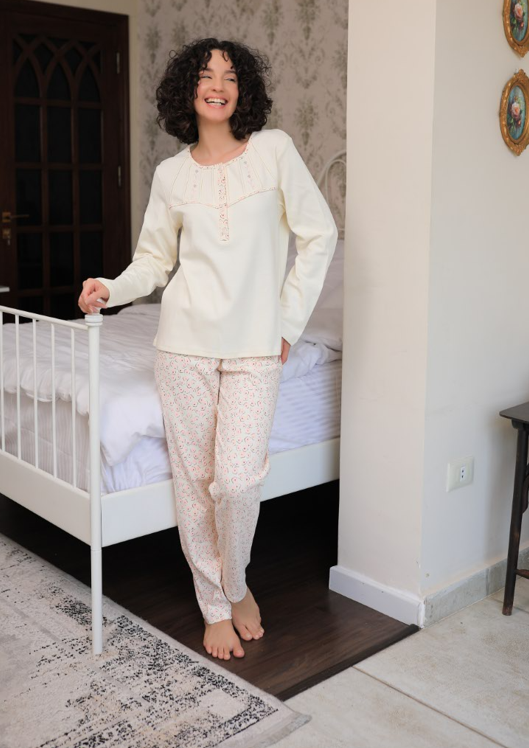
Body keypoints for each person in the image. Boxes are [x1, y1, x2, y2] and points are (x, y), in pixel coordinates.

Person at [78, 37, 338, 662]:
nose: (217, 85)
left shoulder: (275, 151)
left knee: (238, 482)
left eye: (229, 76)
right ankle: (215, 605)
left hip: (255, 349)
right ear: (187, 90)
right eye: (205, 74)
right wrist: (111, 288)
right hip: (182, 349)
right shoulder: (171, 175)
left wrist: (287, 322)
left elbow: (320, 234)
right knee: (196, 483)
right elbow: (154, 261)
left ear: (243, 90)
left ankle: (237, 583)